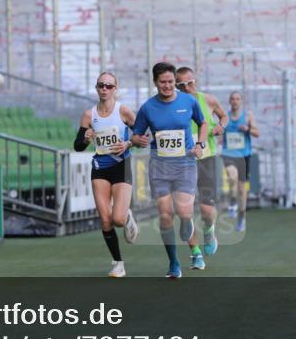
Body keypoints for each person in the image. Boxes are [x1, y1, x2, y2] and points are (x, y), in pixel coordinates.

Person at [130, 62, 208, 278]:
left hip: (185, 164)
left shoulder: (188, 101)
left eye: (171, 82)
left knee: (184, 212)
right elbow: (135, 135)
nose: (167, 86)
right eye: (163, 82)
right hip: (160, 165)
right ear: (155, 82)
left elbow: (202, 124)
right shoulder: (147, 108)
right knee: (165, 216)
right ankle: (174, 263)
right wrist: (139, 140)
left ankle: (187, 224)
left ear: (175, 81)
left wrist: (200, 144)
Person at [73, 71, 140, 278]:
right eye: (101, 85)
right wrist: (85, 138)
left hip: (121, 164)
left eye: (109, 86)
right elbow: (77, 147)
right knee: (105, 220)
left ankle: (127, 217)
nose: (104, 89)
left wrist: (128, 142)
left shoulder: (124, 112)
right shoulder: (88, 115)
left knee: (117, 219)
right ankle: (118, 263)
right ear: (96, 88)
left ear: (115, 89)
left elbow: (141, 136)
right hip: (100, 167)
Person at [175, 67, 228, 256]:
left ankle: (209, 230)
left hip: (206, 159)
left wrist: (221, 126)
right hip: (183, 162)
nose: (187, 88)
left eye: (190, 83)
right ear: (176, 86)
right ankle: (195, 253)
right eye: (181, 85)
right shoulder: (173, 104)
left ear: (195, 82)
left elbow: (223, 115)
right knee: (184, 209)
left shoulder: (208, 100)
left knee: (206, 210)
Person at [221, 91, 259, 232]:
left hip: (244, 155)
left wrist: (247, 129)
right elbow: (218, 132)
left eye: (238, 99)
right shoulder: (225, 117)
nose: (235, 101)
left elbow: (257, 133)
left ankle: (242, 218)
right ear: (229, 101)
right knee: (232, 176)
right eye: (233, 99)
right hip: (229, 153)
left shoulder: (247, 116)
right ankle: (232, 201)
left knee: (242, 190)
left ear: (241, 101)